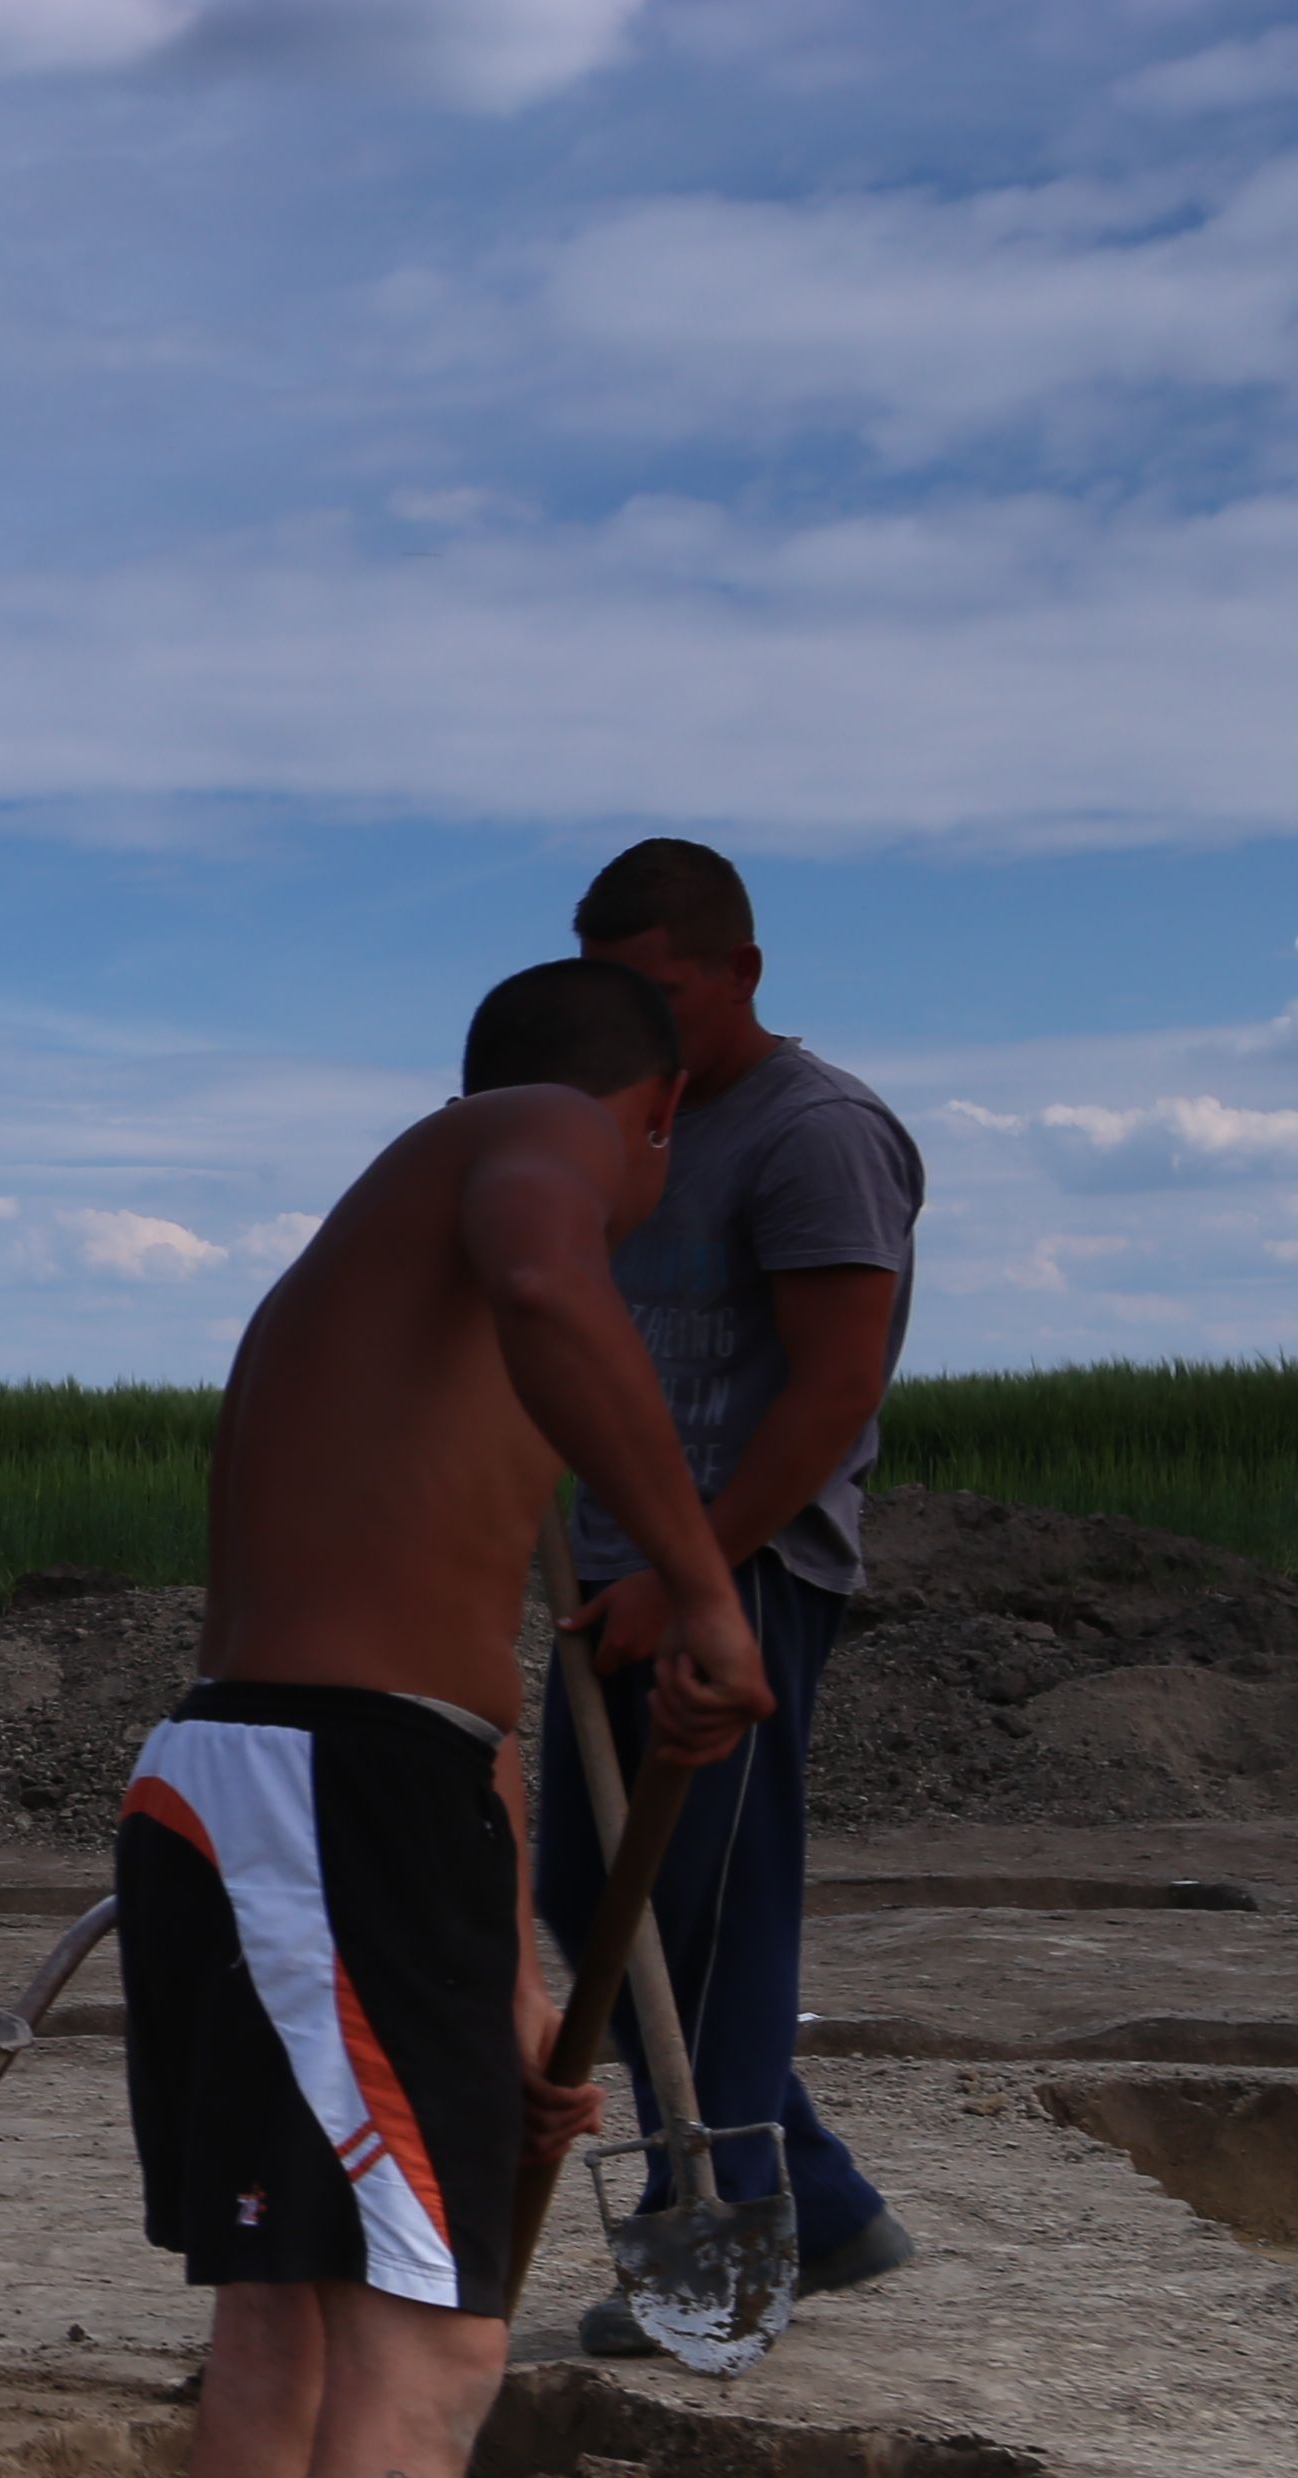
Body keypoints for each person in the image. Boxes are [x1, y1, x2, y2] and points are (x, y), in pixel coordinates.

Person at [118, 960, 766, 2478]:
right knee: (432, 2344)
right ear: (651, 1106)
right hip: (323, 1794)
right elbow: (545, 1256)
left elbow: (460, 1675)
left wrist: (497, 1970)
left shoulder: (397, 1296)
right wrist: (701, 1568)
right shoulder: (534, 1152)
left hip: (291, 1784)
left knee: (294, 2335)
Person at [548, 837, 925, 2355]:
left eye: (663, 994)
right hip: (616, 1573)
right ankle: (819, 2207)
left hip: (742, 1576)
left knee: (712, 1919)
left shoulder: (816, 1132)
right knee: (591, 1900)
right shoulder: (627, 1128)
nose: (639, 1029)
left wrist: (684, 1572)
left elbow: (837, 1389)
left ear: (740, 974)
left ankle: (718, 2274)